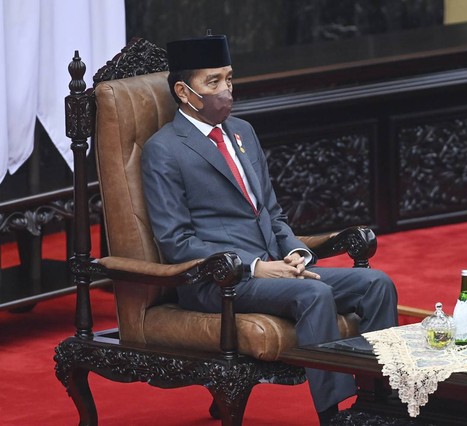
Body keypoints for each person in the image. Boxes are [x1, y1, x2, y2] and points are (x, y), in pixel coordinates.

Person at [141, 32, 398, 425]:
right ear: (183, 90)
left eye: (229, 78)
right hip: (218, 282)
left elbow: (272, 214)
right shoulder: (164, 149)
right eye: (213, 82)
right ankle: (337, 415)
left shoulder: (243, 132)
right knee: (313, 293)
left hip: (274, 269)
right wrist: (256, 267)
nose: (225, 90)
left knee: (377, 284)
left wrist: (296, 251)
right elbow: (177, 242)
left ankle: (383, 402)